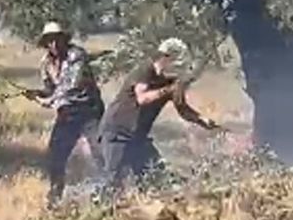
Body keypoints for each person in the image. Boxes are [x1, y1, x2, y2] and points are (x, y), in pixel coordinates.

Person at [97, 38, 221, 198]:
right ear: (165, 58)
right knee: (114, 180)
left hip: (138, 136)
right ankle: (97, 207)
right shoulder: (145, 70)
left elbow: (182, 109)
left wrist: (202, 120)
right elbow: (142, 98)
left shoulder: (172, 81)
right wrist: (167, 90)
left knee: (154, 175)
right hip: (117, 131)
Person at [23, 22, 106, 207]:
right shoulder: (46, 63)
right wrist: (37, 93)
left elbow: (70, 87)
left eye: (56, 39)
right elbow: (51, 88)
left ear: (63, 39)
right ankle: (55, 196)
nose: (53, 44)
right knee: (56, 154)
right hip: (67, 114)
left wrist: (45, 101)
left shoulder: (77, 55)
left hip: (89, 111)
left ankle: (108, 192)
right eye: (49, 40)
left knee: (100, 152)